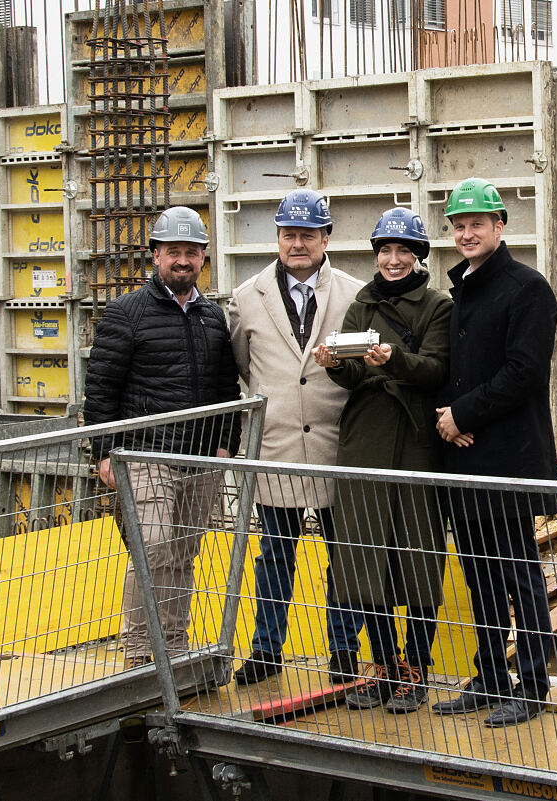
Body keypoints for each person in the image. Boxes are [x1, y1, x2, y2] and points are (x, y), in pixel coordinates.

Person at [83, 206, 241, 669]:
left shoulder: (212, 317)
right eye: (174, 252)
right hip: (144, 454)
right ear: (155, 255)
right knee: (153, 548)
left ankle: (172, 647)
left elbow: (226, 389)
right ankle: (138, 652)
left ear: (202, 259)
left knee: (182, 554)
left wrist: (225, 444)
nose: (183, 261)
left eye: (191, 253)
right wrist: (103, 453)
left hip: (199, 459)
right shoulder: (126, 314)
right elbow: (101, 388)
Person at [311, 208, 453, 713]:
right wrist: (336, 365)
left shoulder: (437, 305)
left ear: (419, 258)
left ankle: (416, 668)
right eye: (385, 251)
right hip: (365, 442)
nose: (392, 260)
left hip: (415, 444)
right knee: (364, 557)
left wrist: (394, 360)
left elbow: (437, 369)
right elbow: (351, 379)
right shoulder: (361, 303)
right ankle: (384, 665)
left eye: (403, 252)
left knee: (417, 559)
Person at [430, 178, 557, 728]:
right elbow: (453, 369)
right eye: (458, 226)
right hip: (466, 454)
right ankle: (489, 678)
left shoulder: (527, 288)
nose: (466, 233)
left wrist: (464, 414)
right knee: (480, 574)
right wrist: (447, 418)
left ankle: (531, 685)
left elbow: (524, 372)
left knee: (516, 571)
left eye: (476, 223)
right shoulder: (462, 289)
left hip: (507, 456)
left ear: (500, 225)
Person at [228, 188, 365, 685]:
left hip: (334, 447)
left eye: (309, 235)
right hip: (278, 447)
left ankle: (344, 652)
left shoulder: (353, 294)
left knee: (341, 555)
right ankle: (265, 651)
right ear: (278, 239)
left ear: (326, 238)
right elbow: (246, 369)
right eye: (290, 235)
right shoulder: (248, 298)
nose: (298, 244)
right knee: (275, 555)